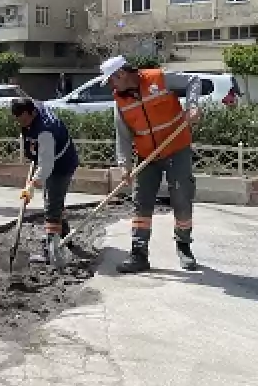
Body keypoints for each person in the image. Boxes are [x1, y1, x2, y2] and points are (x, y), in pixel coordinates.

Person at [101, 55, 202, 273]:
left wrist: (192, 106)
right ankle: (139, 255)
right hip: (147, 155)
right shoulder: (120, 100)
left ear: (121, 74)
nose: (111, 85)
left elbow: (193, 80)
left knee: (182, 196)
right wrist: (124, 164)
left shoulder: (158, 78)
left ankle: (184, 246)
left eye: (111, 79)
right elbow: (123, 136)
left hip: (177, 147)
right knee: (141, 201)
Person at [11, 98, 89, 264]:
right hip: (52, 159)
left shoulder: (45, 131)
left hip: (61, 165)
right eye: (18, 120)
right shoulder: (34, 109)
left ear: (32, 113)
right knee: (55, 201)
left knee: (52, 206)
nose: (22, 124)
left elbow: (47, 166)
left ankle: (51, 253)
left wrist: (32, 185)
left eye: (24, 120)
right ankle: (65, 237)